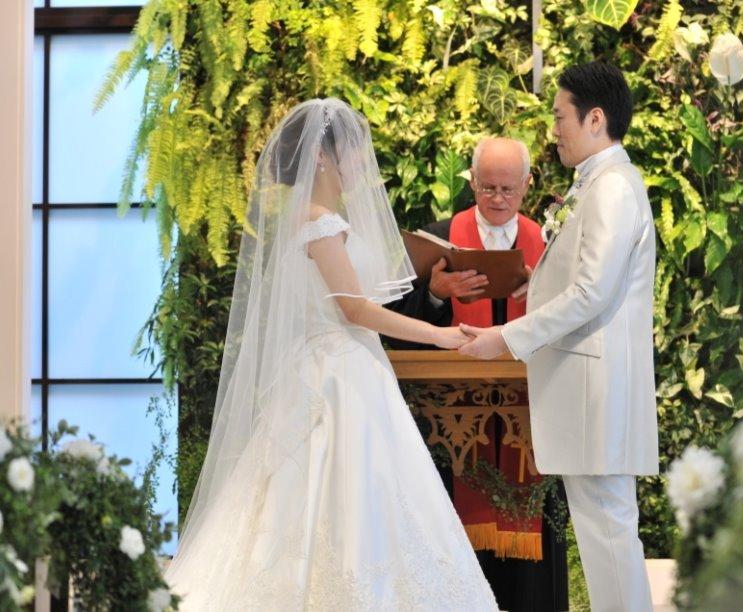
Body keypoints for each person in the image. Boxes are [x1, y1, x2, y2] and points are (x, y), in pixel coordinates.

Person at [165, 98, 497, 611]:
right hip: (337, 376)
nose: (362, 159)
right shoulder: (319, 224)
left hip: (348, 367)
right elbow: (355, 310)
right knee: (344, 489)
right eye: (352, 149)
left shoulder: (322, 221)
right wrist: (441, 336)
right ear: (321, 157)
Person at [459, 62, 659, 611]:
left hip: (596, 395)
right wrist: (541, 284)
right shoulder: (598, 183)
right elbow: (587, 282)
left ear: (595, 119)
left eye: (559, 117)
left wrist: (505, 336)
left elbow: (593, 291)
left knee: (609, 534)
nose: (554, 130)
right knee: (604, 534)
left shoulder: (612, 188)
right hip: (589, 394)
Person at [384, 138, 567, 612]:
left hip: (531, 422)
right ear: (472, 181)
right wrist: (436, 294)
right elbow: (395, 327)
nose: (497, 198)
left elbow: (577, 319)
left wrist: (545, 293)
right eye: (487, 187)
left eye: (508, 189)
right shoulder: (439, 239)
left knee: (532, 571)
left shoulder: (554, 245)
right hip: (452, 425)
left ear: (527, 185)